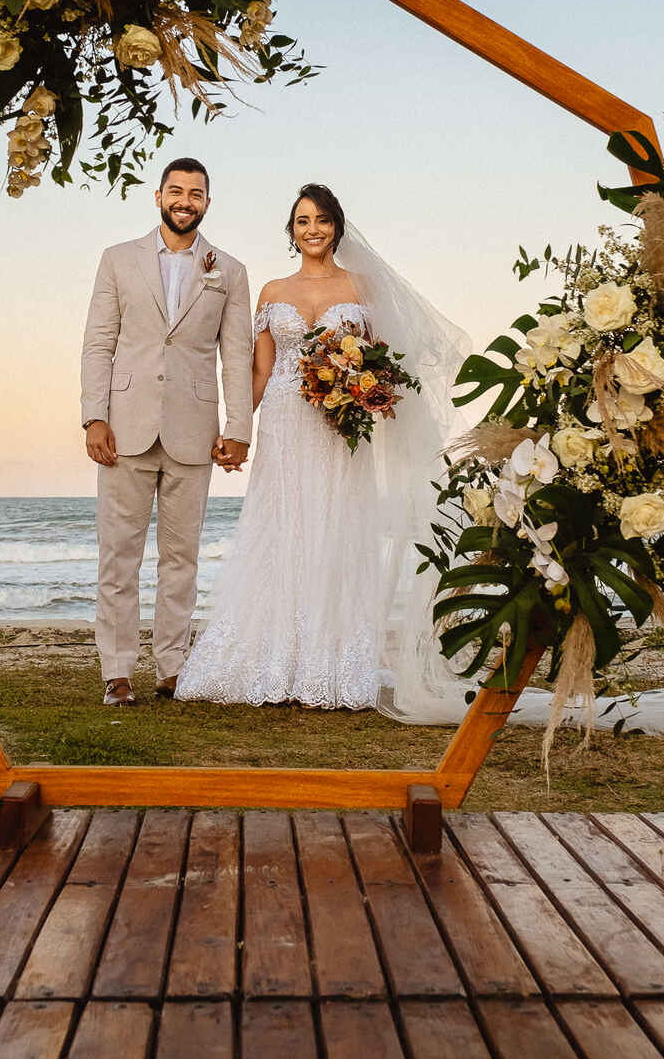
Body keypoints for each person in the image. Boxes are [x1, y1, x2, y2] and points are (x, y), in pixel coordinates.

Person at [175, 183, 468, 709]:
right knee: (283, 528)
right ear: (291, 231)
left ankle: (333, 665)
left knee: (335, 528)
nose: (312, 229)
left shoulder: (363, 287)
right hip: (286, 423)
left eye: (322, 220)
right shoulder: (270, 291)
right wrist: (237, 431)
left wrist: (362, 391)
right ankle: (273, 659)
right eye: (302, 220)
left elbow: (385, 361)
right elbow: (260, 369)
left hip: (338, 427)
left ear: (337, 227)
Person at [81, 158, 253, 706]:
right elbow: (98, 343)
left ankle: (173, 666)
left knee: (182, 559)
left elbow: (236, 355)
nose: (186, 200)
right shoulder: (117, 260)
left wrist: (239, 429)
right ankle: (117, 671)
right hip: (124, 429)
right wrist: (94, 416)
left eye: (196, 193)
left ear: (207, 201)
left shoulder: (230, 270)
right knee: (119, 556)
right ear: (158, 197)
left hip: (193, 431)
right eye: (176, 191)